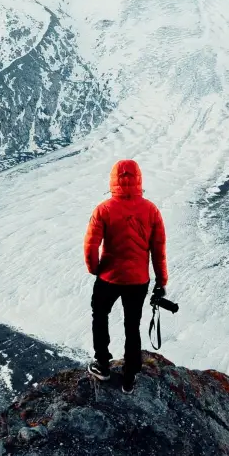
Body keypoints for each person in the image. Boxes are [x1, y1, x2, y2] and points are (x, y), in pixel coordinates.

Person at [84, 159, 168, 393]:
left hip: (109, 277)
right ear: (139, 179)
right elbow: (158, 250)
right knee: (133, 325)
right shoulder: (151, 210)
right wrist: (161, 281)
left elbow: (90, 245)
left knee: (100, 315)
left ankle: (102, 363)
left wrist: (95, 269)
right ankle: (129, 377)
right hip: (138, 280)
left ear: (113, 180)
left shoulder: (104, 210)